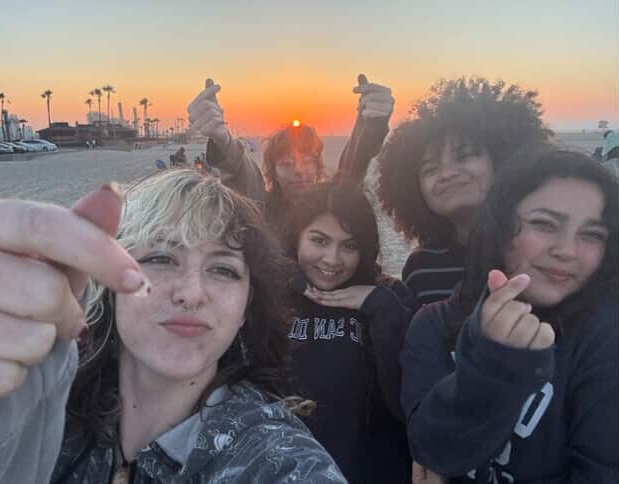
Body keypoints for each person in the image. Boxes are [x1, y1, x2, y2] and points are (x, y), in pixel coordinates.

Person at [0, 170, 346, 483]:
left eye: (222, 269)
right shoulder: (42, 414)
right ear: (108, 282)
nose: (191, 294)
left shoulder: (278, 462)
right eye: (161, 259)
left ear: (246, 306)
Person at [401, 149, 618, 482]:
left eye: (592, 235)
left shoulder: (605, 332)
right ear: (499, 229)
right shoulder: (434, 325)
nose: (567, 251)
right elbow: (432, 450)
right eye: (544, 224)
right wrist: (494, 366)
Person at [283, 181, 417, 483]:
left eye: (349, 246)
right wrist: (283, 276)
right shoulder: (271, 296)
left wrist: (380, 306)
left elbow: (407, 401)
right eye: (319, 241)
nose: (332, 259)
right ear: (297, 236)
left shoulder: (391, 296)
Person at [377, 77, 551, 304]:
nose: (447, 173)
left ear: (502, 160)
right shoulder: (422, 267)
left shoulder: (538, 251)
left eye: (464, 156)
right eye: (430, 169)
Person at [187, 75, 395, 228]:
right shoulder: (262, 208)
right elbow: (242, 170)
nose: (298, 170)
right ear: (273, 172)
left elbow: (352, 168)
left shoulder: (332, 205)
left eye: (308, 161)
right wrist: (222, 138)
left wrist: (370, 125)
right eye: (286, 164)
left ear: (318, 166)